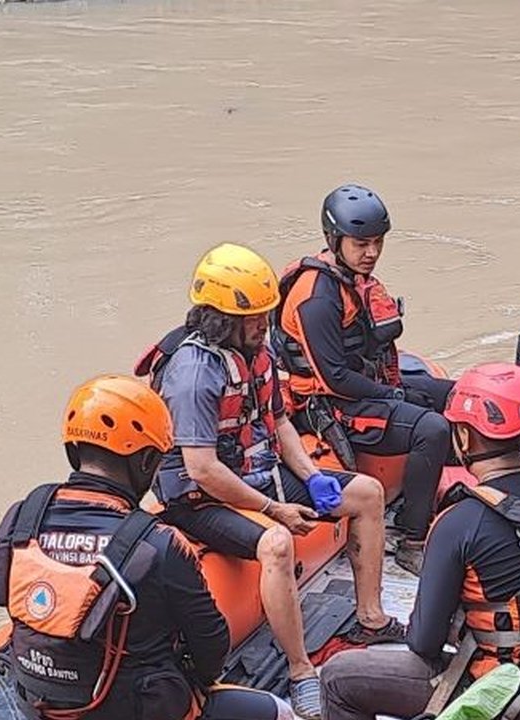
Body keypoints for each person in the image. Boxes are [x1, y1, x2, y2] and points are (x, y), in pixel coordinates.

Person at [134, 243, 404, 720]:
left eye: (266, 314)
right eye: (255, 317)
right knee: (276, 544)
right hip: (200, 499)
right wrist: (272, 509)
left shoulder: (256, 352)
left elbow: (277, 422)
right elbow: (201, 468)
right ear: (221, 318)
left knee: (366, 493)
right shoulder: (196, 372)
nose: (265, 325)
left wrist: (313, 476)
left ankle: (370, 619)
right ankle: (301, 671)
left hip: (255, 471)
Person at [0, 374, 294, 720]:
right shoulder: (160, 544)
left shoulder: (23, 516)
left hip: (40, 704)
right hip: (138, 707)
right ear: (146, 463)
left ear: (73, 451)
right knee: (280, 712)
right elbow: (212, 646)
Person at [320, 364, 520, 720]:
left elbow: (424, 643)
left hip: (512, 696)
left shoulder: (459, 522)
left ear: (465, 437)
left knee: (337, 677)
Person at [271, 183, 452, 575]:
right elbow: (334, 378)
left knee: (454, 395)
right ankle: (412, 539)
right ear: (334, 240)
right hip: (328, 405)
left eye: (377, 243)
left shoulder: (348, 276)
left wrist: (395, 389)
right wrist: (393, 394)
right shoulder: (317, 297)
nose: (371, 253)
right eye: (361, 244)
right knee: (432, 429)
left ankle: (441, 489)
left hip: (362, 383)